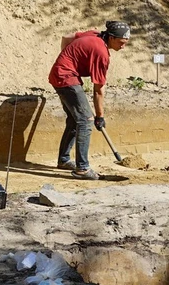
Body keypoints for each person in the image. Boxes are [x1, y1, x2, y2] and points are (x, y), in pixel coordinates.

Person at [49, 20, 131, 180]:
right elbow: (98, 90)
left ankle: (64, 160)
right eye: (121, 43)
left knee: (74, 120)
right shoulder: (101, 53)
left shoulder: (95, 34)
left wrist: (66, 59)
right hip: (66, 78)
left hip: (62, 74)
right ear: (112, 38)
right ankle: (82, 169)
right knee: (86, 120)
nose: (123, 47)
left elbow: (67, 37)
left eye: (126, 43)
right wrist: (100, 117)